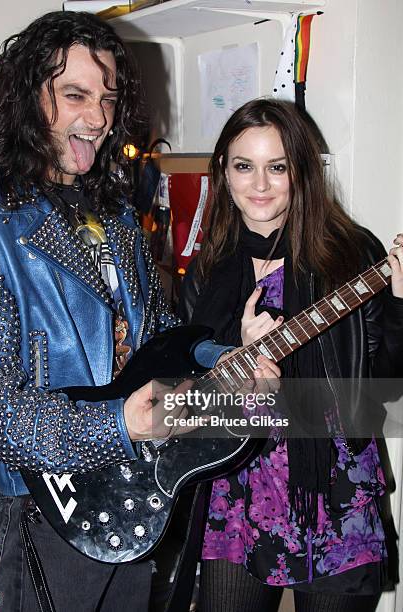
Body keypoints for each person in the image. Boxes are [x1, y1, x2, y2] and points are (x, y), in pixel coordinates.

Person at [0, 11, 228, 611]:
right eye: (75, 95)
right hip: (49, 506)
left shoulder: (116, 209)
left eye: (107, 99)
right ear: (28, 98)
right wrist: (116, 425)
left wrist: (223, 358)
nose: (97, 119)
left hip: (135, 487)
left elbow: (159, 334)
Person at [179, 98, 403, 612]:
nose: (259, 185)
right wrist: (231, 360)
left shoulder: (351, 253)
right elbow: (181, 396)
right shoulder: (210, 264)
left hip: (334, 490)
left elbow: (388, 383)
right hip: (233, 489)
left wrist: (401, 303)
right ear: (224, 172)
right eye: (244, 166)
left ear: (301, 171)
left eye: (276, 167)